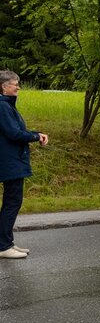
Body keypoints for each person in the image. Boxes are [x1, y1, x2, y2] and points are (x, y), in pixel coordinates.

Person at [0, 71, 48, 259]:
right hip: (9, 162)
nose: (18, 87)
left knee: (10, 203)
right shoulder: (3, 106)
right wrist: (36, 137)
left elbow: (18, 130)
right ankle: (3, 246)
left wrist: (37, 133)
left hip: (11, 160)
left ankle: (6, 242)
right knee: (12, 202)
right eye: (15, 84)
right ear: (4, 87)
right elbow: (14, 133)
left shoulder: (7, 106)